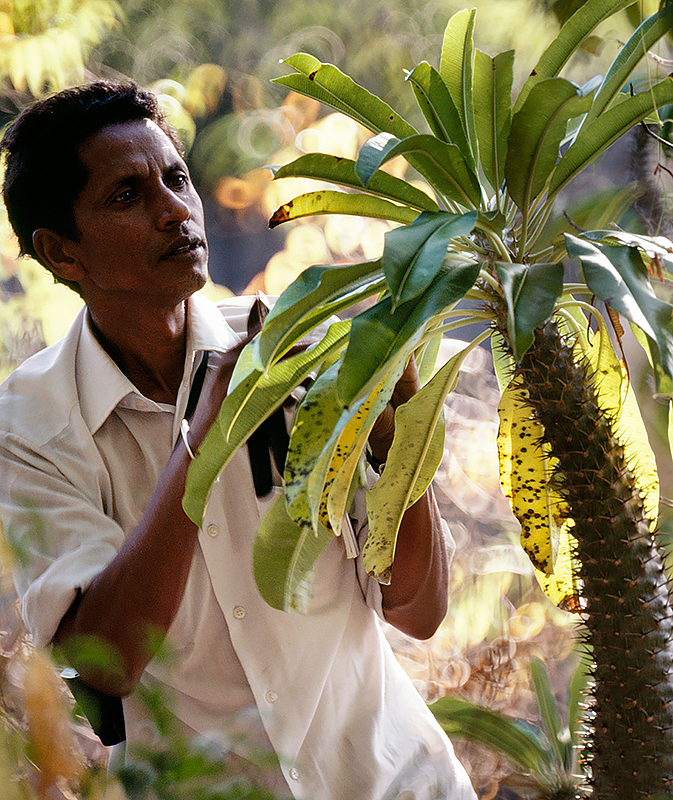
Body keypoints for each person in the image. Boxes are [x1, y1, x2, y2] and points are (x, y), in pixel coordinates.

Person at [0, 81, 476, 800]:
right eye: (127, 196)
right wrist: (204, 437)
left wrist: (400, 430)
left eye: (176, 178)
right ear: (62, 253)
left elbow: (418, 611)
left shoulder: (294, 351)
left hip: (399, 782)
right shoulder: (28, 426)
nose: (174, 212)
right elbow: (104, 665)